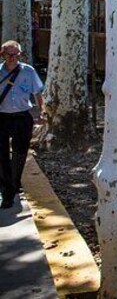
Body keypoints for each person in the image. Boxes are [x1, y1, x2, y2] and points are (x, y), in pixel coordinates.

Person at [0, 40, 44, 208]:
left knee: (19, 153)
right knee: (2, 155)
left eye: (14, 55)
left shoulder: (28, 71)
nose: (11, 58)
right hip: (2, 117)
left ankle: (14, 182)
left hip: (21, 117)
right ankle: (7, 192)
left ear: (19, 54)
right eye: (7, 55)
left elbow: (38, 93)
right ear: (2, 55)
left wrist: (42, 112)